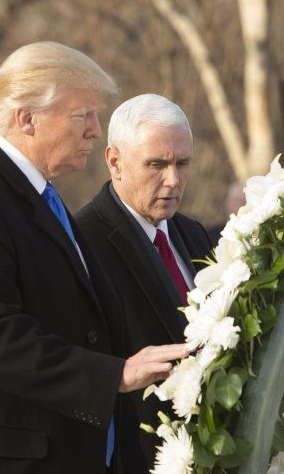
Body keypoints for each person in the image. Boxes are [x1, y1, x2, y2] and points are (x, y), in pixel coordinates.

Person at [0, 42, 188, 474]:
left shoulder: (33, 195)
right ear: (26, 118)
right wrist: (114, 375)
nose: (95, 129)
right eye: (82, 115)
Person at [75, 94, 214, 473]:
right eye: (156, 164)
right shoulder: (81, 241)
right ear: (114, 162)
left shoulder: (193, 233)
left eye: (182, 163)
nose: (173, 179)